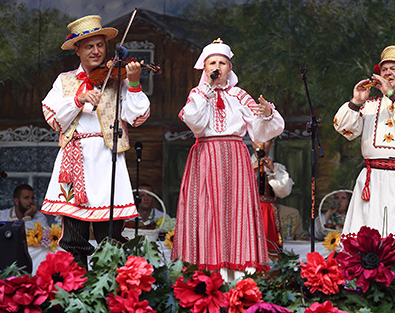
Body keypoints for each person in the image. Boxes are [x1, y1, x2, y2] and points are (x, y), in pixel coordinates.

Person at [40, 15, 150, 266]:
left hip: (107, 159)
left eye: (100, 45)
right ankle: (75, 292)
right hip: (75, 161)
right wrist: (78, 100)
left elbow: (138, 117)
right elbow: (54, 119)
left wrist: (133, 83)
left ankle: (112, 294)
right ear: (77, 50)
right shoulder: (65, 81)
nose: (96, 51)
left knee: (111, 237)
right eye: (89, 46)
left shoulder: (117, 77)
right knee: (74, 238)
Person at [171, 39, 285, 282]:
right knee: (206, 208)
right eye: (212, 62)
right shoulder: (198, 94)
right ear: (205, 68)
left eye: (222, 62)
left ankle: (238, 277)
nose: (217, 66)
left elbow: (261, 132)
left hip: (235, 156)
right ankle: (204, 274)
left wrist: (267, 115)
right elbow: (194, 121)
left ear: (230, 68)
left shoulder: (240, 95)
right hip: (205, 156)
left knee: (236, 210)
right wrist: (207, 90)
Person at [334, 45, 395, 258]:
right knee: (364, 248)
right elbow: (344, 128)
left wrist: (390, 93)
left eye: (394, 68)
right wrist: (356, 101)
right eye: (384, 69)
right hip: (372, 183)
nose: (387, 72)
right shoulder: (369, 105)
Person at [251, 139, 295, 253]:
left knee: (268, 245)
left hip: (267, 211)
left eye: (267, 141)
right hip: (248, 210)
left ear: (271, 144)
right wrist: (251, 169)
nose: (262, 144)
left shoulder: (277, 167)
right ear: (252, 143)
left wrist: (273, 170)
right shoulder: (243, 165)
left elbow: (284, 191)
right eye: (259, 141)